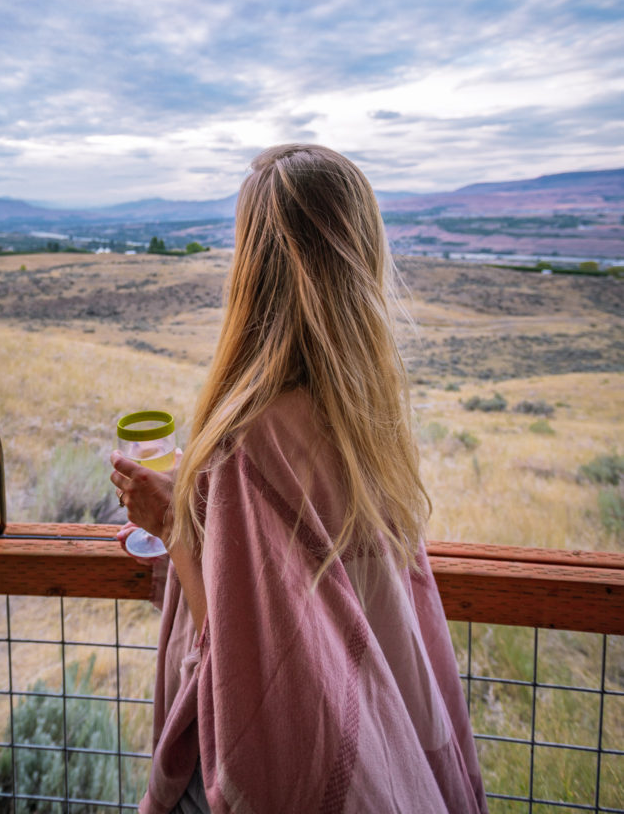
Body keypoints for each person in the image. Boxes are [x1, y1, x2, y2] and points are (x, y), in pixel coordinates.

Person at [110, 143, 488, 814]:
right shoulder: (365, 417)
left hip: (282, 769)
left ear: (253, 265)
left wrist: (172, 525)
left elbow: (238, 648)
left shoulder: (246, 439)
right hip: (383, 749)